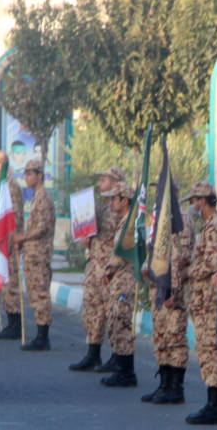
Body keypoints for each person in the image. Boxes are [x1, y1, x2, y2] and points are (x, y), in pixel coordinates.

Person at [181, 183, 217, 424]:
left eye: (195, 201)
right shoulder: (208, 226)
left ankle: (215, 404)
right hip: (201, 299)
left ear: (203, 200)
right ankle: (211, 401)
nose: (193, 206)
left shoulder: (215, 227)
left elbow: (211, 263)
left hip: (209, 300)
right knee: (204, 349)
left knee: (210, 349)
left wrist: (187, 272)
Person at [139, 191, 194, 404]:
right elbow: (154, 251)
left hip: (172, 292)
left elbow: (182, 258)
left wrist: (175, 293)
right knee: (161, 338)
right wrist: (147, 269)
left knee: (175, 339)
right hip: (158, 289)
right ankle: (163, 385)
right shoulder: (159, 219)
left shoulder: (181, 219)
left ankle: (175, 388)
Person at [69, 167, 124, 370]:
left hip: (110, 267)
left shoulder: (121, 208)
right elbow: (92, 231)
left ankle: (116, 356)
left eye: (104, 180)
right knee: (92, 310)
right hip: (94, 263)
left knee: (111, 312)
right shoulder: (101, 206)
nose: (100, 184)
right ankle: (93, 353)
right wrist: (85, 235)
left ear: (115, 181)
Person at [98, 181, 137, 386]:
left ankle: (127, 372)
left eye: (115, 198)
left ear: (125, 200)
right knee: (115, 323)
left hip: (125, 279)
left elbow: (123, 251)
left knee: (121, 323)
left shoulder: (130, 223)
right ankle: (121, 368)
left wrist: (109, 269)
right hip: (119, 279)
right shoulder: (124, 221)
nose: (112, 202)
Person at [12, 158, 53, 351]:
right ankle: (39, 334)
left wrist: (23, 237)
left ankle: (43, 336)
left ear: (39, 175)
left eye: (30, 173)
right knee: (35, 294)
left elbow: (42, 227)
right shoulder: (36, 196)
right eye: (25, 173)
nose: (26, 177)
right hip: (32, 253)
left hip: (39, 254)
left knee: (40, 294)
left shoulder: (43, 196)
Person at [0, 150, 27, 341]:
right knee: (7, 284)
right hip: (7, 241)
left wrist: (12, 239)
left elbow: (15, 215)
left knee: (11, 283)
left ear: (0, 164)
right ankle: (11, 321)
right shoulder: (3, 185)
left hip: (11, 241)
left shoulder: (10, 186)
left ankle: (15, 323)